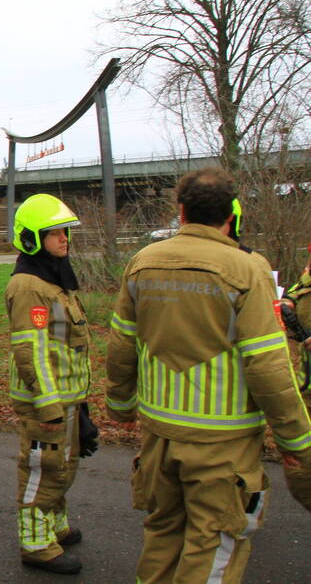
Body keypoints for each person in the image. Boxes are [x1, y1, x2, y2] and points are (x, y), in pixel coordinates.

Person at [105, 168, 311, 582]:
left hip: (159, 435)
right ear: (230, 217)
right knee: (214, 543)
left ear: (181, 212)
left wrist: (120, 405)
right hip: (222, 444)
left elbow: (122, 342)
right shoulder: (247, 269)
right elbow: (267, 366)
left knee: (162, 534)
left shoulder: (142, 262)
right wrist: (296, 441)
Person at [5, 193, 92, 575]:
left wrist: (77, 402)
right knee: (43, 468)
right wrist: (49, 405)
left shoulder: (51, 279)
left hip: (65, 396)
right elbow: (31, 350)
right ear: (31, 239)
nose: (63, 239)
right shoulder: (30, 286)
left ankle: (54, 526)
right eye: (54, 233)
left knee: (63, 465)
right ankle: (36, 545)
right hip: (47, 401)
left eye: (65, 232)